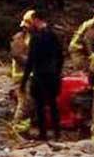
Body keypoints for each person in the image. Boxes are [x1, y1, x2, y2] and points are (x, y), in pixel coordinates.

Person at [20, 9, 63, 142]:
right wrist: (58, 72)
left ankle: (43, 134)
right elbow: (61, 56)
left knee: (39, 106)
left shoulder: (36, 38)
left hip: (39, 75)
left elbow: (30, 60)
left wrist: (24, 80)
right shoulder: (54, 36)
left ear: (37, 20)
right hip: (53, 75)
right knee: (53, 105)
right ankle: (57, 133)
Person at [9, 25, 32, 133]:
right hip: (20, 77)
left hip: (29, 76)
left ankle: (25, 127)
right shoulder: (19, 39)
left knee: (29, 102)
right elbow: (18, 56)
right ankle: (17, 127)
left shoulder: (31, 37)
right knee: (24, 102)